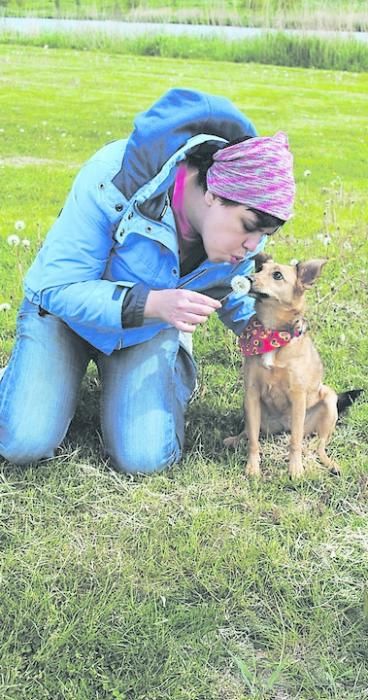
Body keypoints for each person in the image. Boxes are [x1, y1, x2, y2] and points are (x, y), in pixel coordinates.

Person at [0, 88, 295, 473]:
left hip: (148, 329)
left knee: (145, 458)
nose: (254, 246)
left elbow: (238, 291)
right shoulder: (115, 177)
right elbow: (56, 287)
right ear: (214, 194)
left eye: (264, 235)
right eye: (249, 228)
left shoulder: (237, 232)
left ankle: (165, 368)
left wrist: (280, 340)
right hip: (63, 318)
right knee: (24, 441)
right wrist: (153, 304)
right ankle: (24, 374)